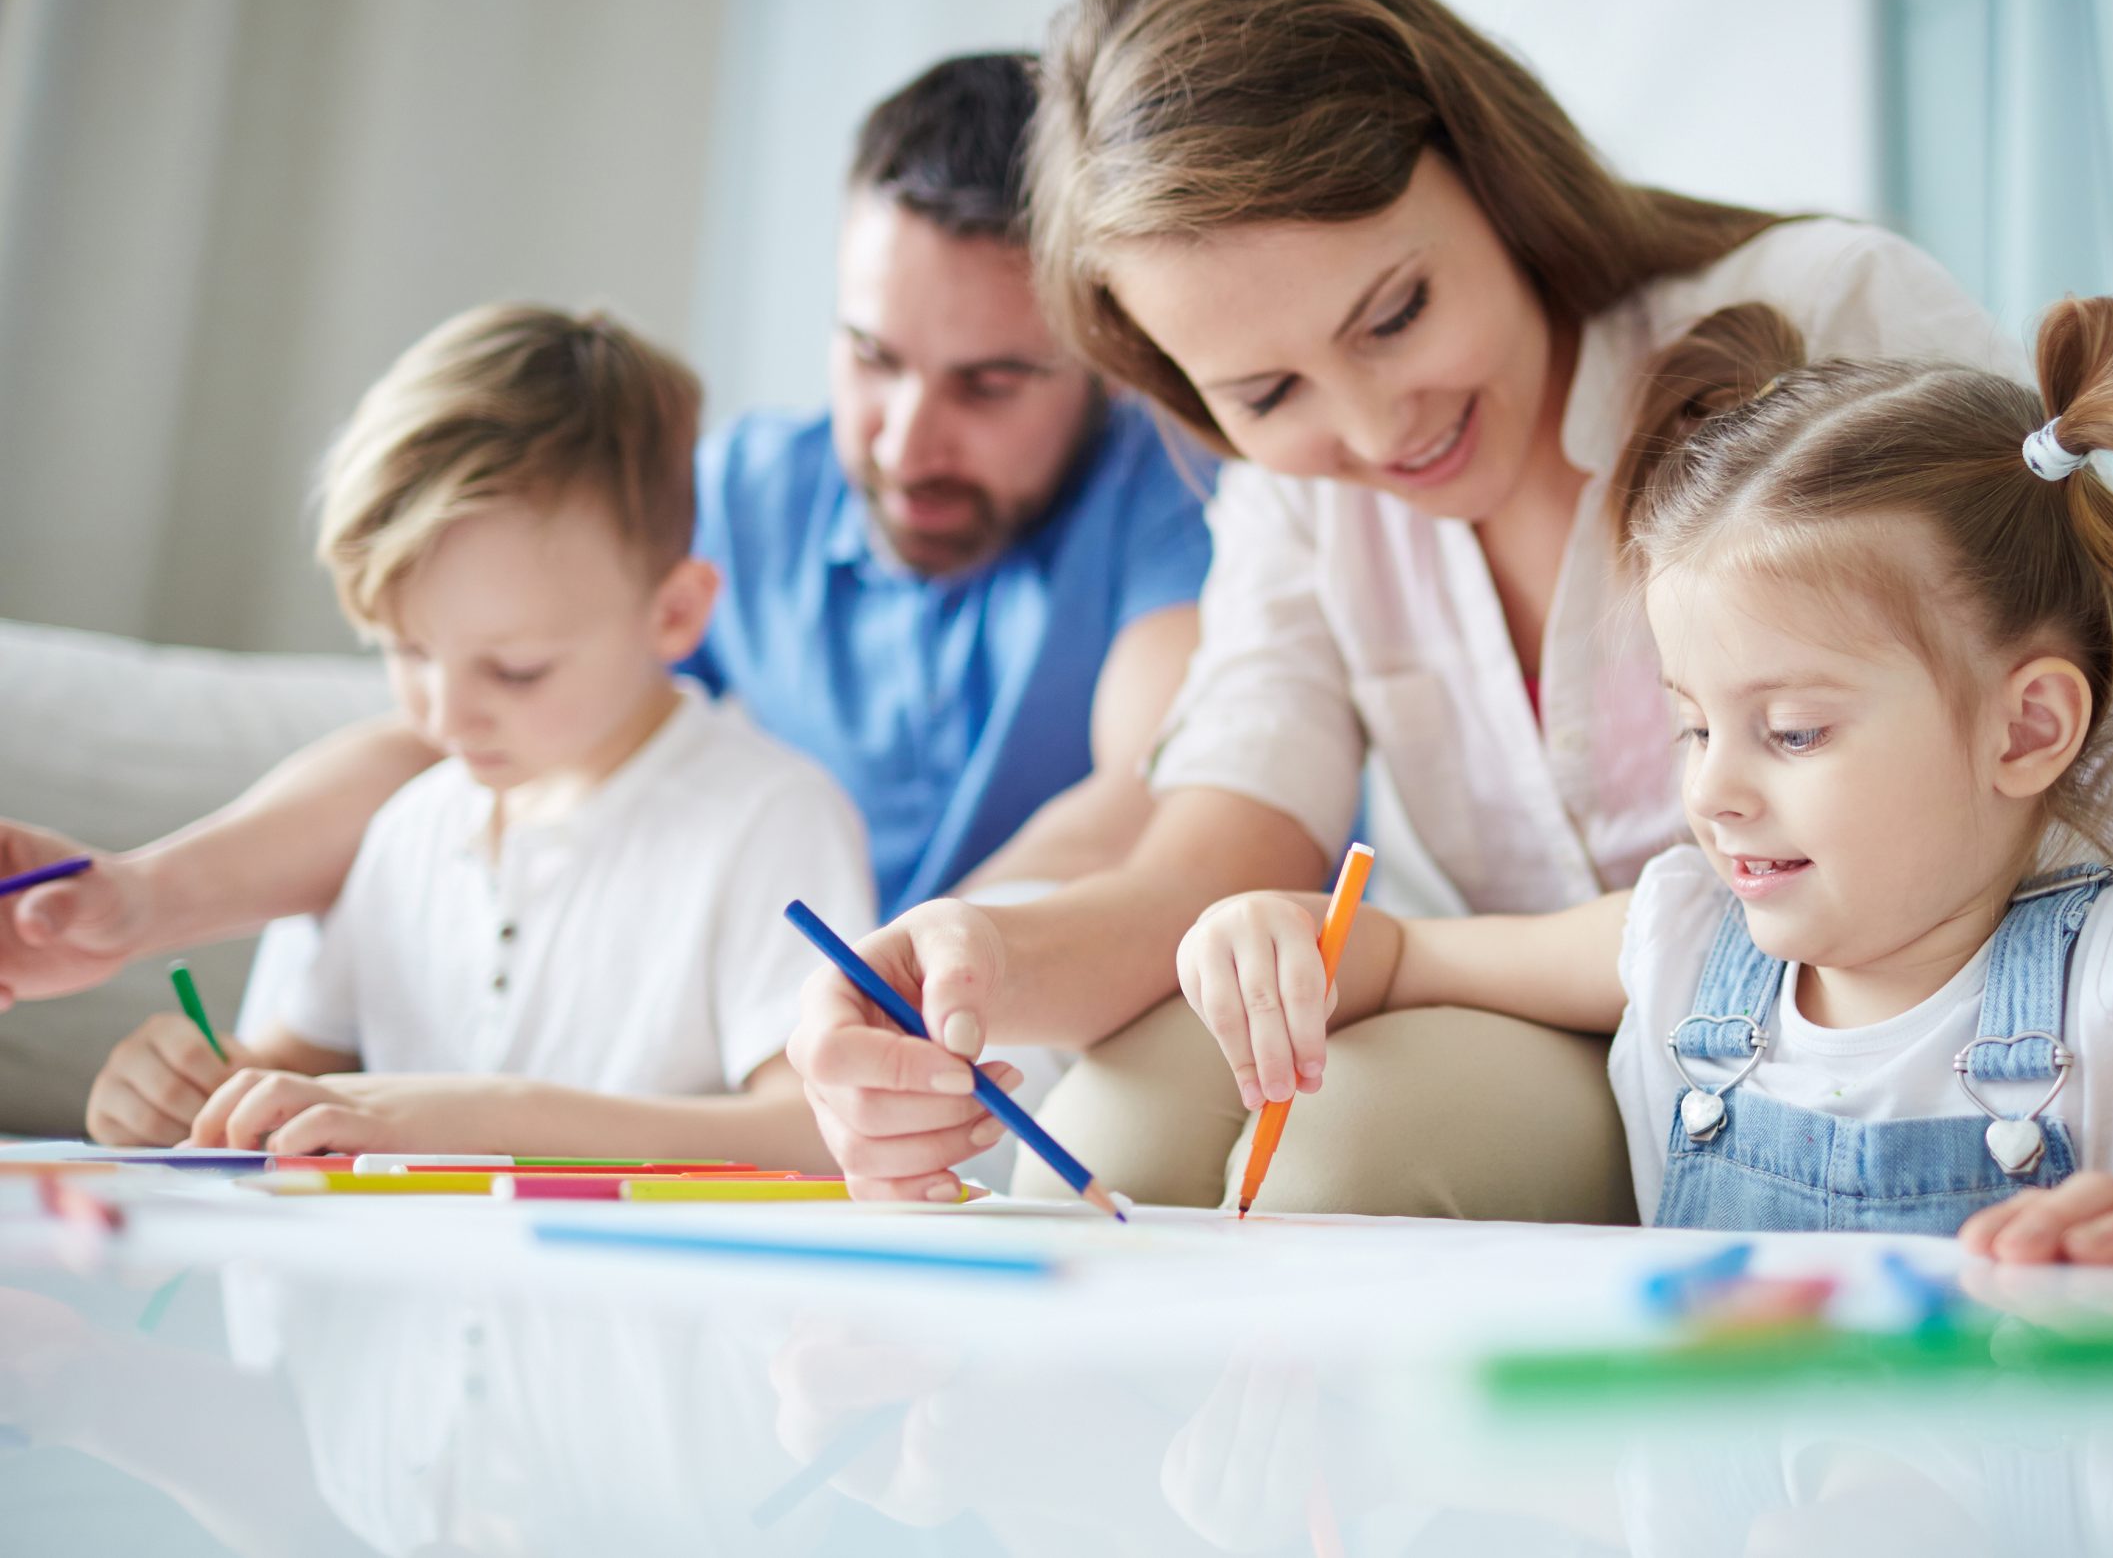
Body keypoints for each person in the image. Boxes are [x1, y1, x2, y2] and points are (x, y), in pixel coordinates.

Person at [788, 0, 2113, 1237]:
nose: (1372, 424)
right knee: (1113, 1113)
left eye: (1394, 312)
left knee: (1339, 1168)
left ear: (1480, 167)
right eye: (1265, 393)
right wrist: (968, 960)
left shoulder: (1818, 322)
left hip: (1896, 1061)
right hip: (1595, 1024)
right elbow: (1207, 858)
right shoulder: (1294, 503)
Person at [1176, 295, 2113, 1310]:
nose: (1714, 789)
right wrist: (1273, 930)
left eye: (1791, 729)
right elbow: (1402, 948)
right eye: (1692, 724)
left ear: (2028, 727)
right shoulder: (1677, 938)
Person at [4, 57, 1210, 1165]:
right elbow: (458, 737)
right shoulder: (740, 495)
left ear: (1100, 342)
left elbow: (1153, 792)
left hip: (972, 1007)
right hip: (762, 1026)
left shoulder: (1171, 501)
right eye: (870, 358)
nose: (906, 439)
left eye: (991, 382)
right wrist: (138, 899)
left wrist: (900, 974)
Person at [89, 305, 863, 1163]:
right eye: (408, 651)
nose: (444, 719)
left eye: (517, 669)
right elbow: (297, 1074)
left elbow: (819, 1132)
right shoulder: (411, 827)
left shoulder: (768, 819)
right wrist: (190, 1092)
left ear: (676, 612)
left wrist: (475, 1119)